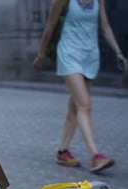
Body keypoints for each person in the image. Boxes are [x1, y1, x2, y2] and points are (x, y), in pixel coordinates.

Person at [33, 0, 127, 173]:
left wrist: (119, 53)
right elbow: (50, 28)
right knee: (84, 104)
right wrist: (41, 55)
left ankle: (63, 151)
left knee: (75, 106)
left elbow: (105, 26)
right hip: (69, 54)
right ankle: (96, 155)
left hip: (90, 56)